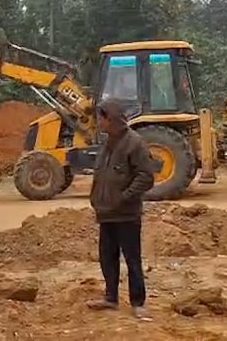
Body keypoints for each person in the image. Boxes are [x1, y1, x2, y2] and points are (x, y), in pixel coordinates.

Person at [86, 99, 155, 320]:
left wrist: (124, 198)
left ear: (110, 118)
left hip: (126, 214)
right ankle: (111, 298)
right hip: (106, 214)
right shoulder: (107, 144)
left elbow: (146, 177)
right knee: (107, 257)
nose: (99, 122)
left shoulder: (135, 143)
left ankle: (138, 302)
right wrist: (96, 199)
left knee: (132, 259)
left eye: (101, 117)